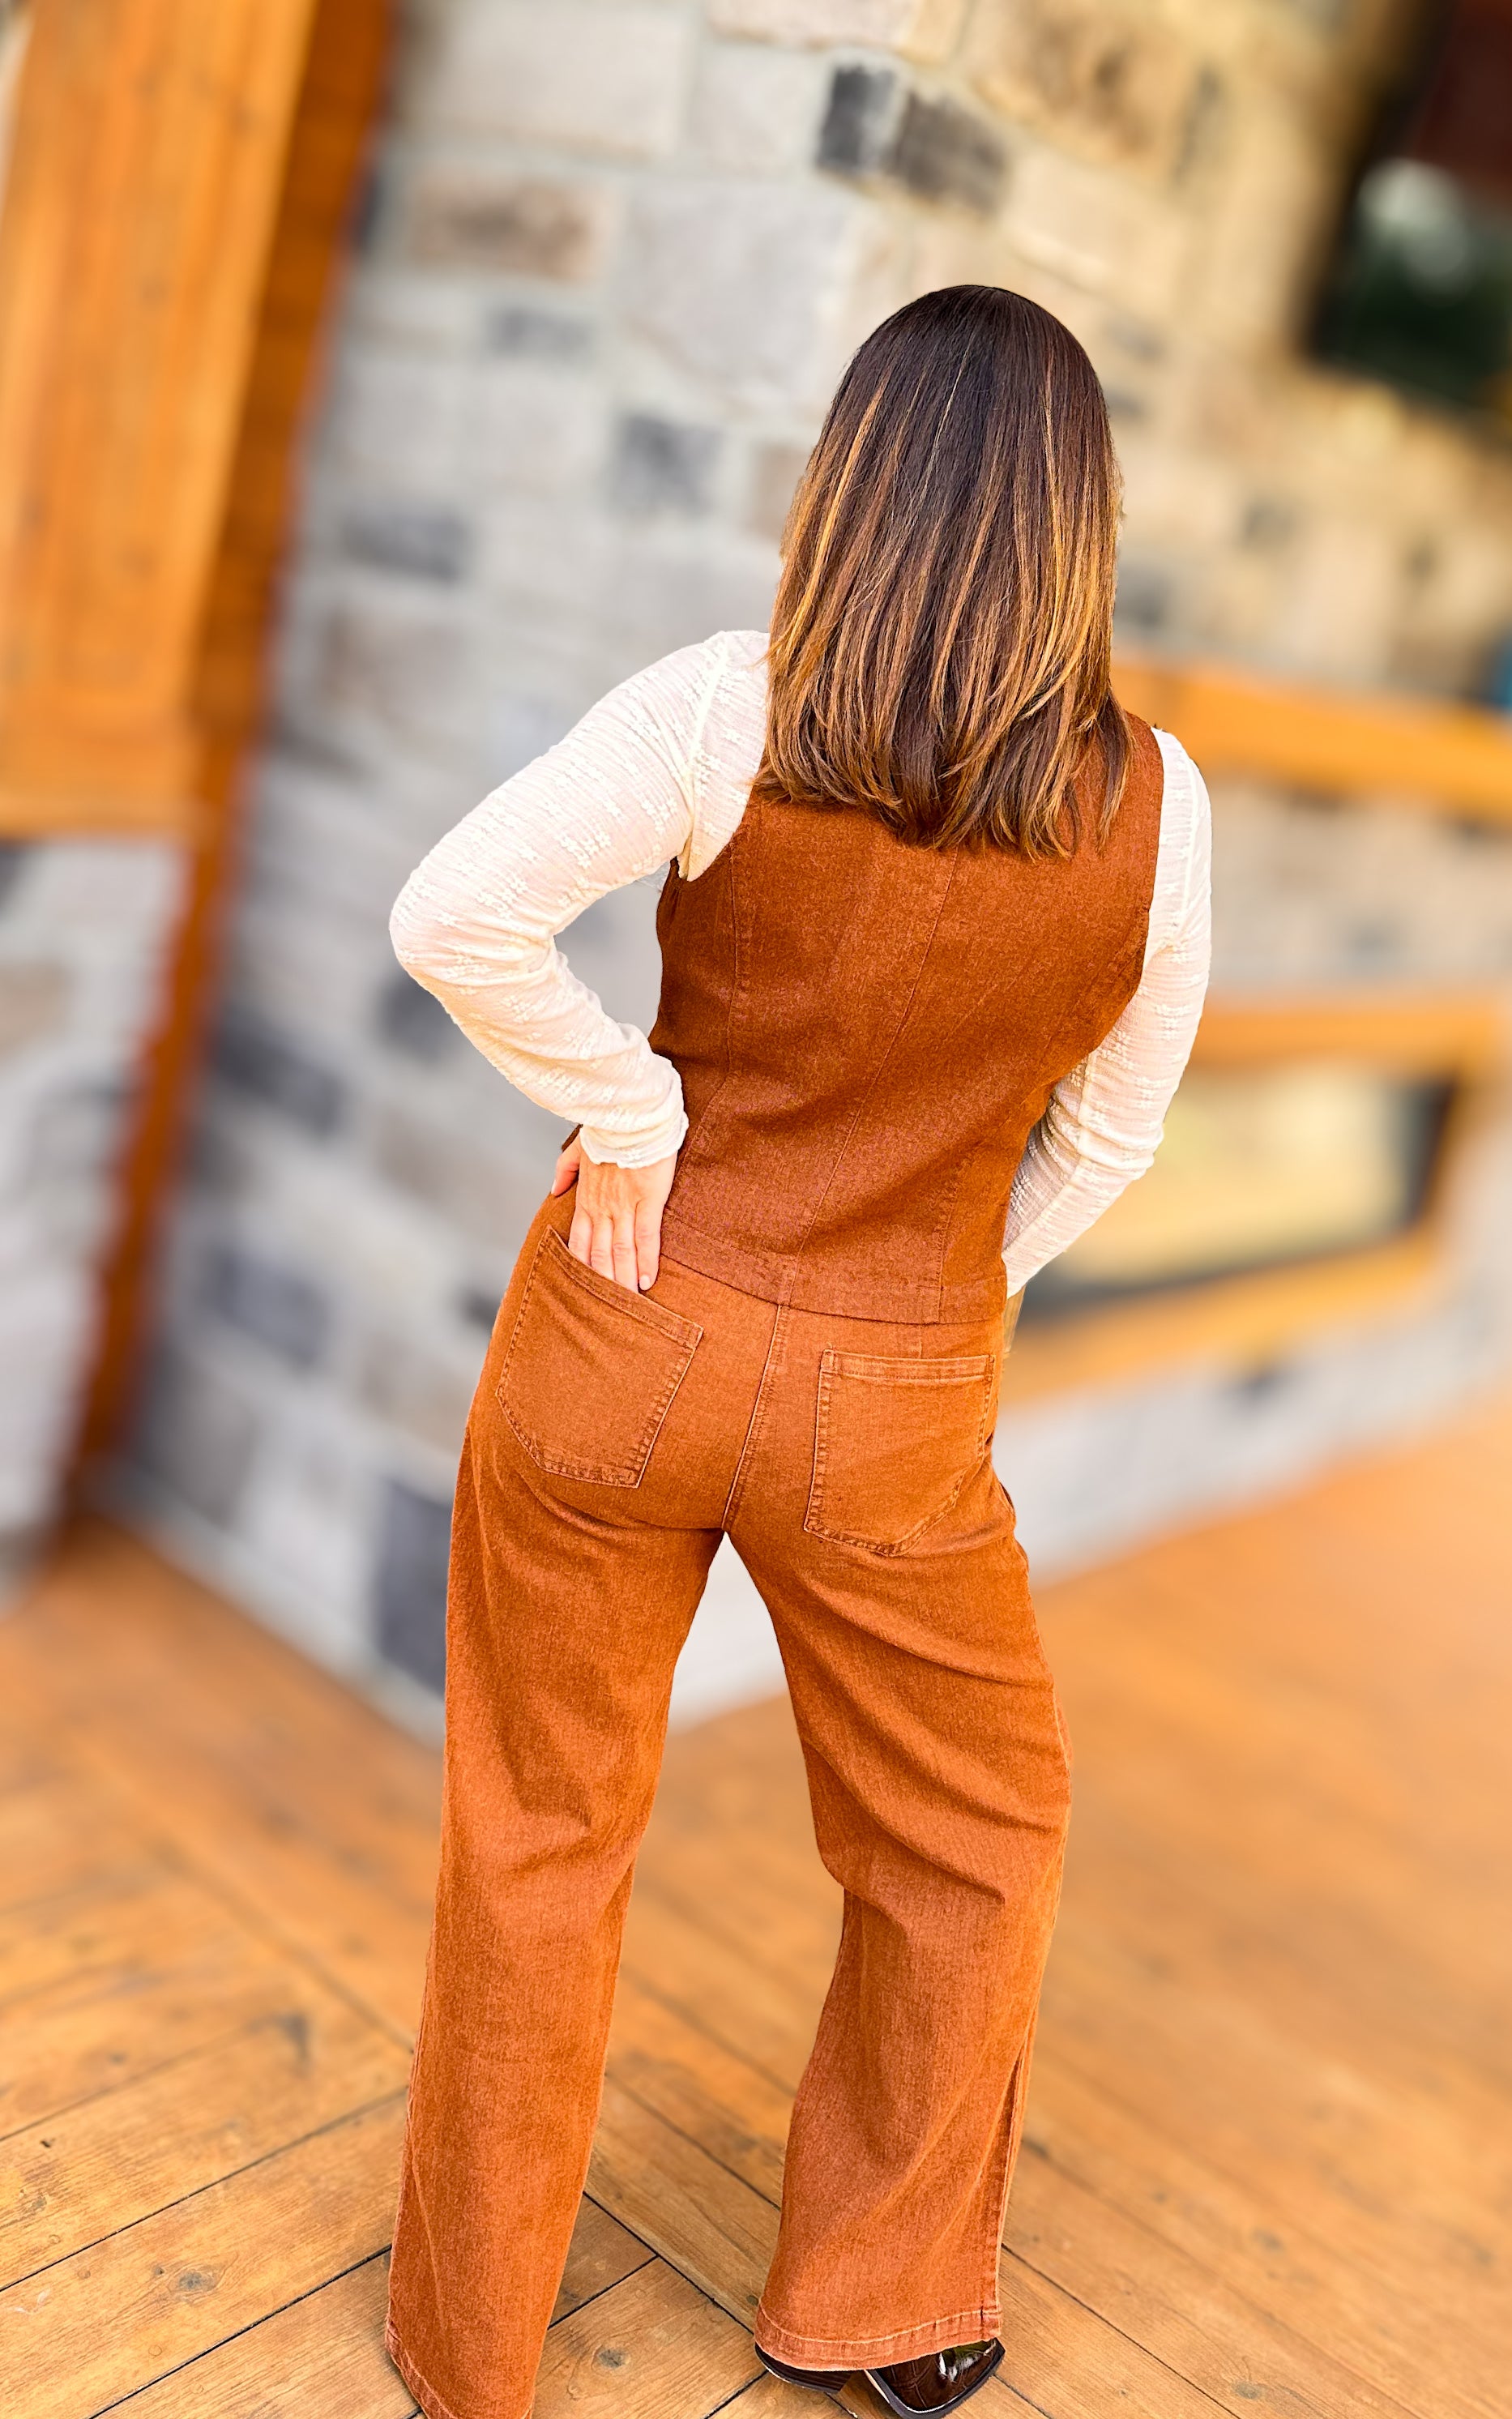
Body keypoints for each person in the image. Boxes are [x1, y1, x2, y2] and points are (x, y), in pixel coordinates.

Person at [383, 284, 1211, 2419]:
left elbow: (454, 911)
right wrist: (941, 1279)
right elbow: (1114, 1133)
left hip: (621, 1327)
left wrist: (633, 1111)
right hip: (896, 1397)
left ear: (849, 483)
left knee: (538, 1831)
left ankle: (469, 2348)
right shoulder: (1154, 807)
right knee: (971, 1834)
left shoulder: (717, 709)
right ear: (1080, 529)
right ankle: (881, 2305)